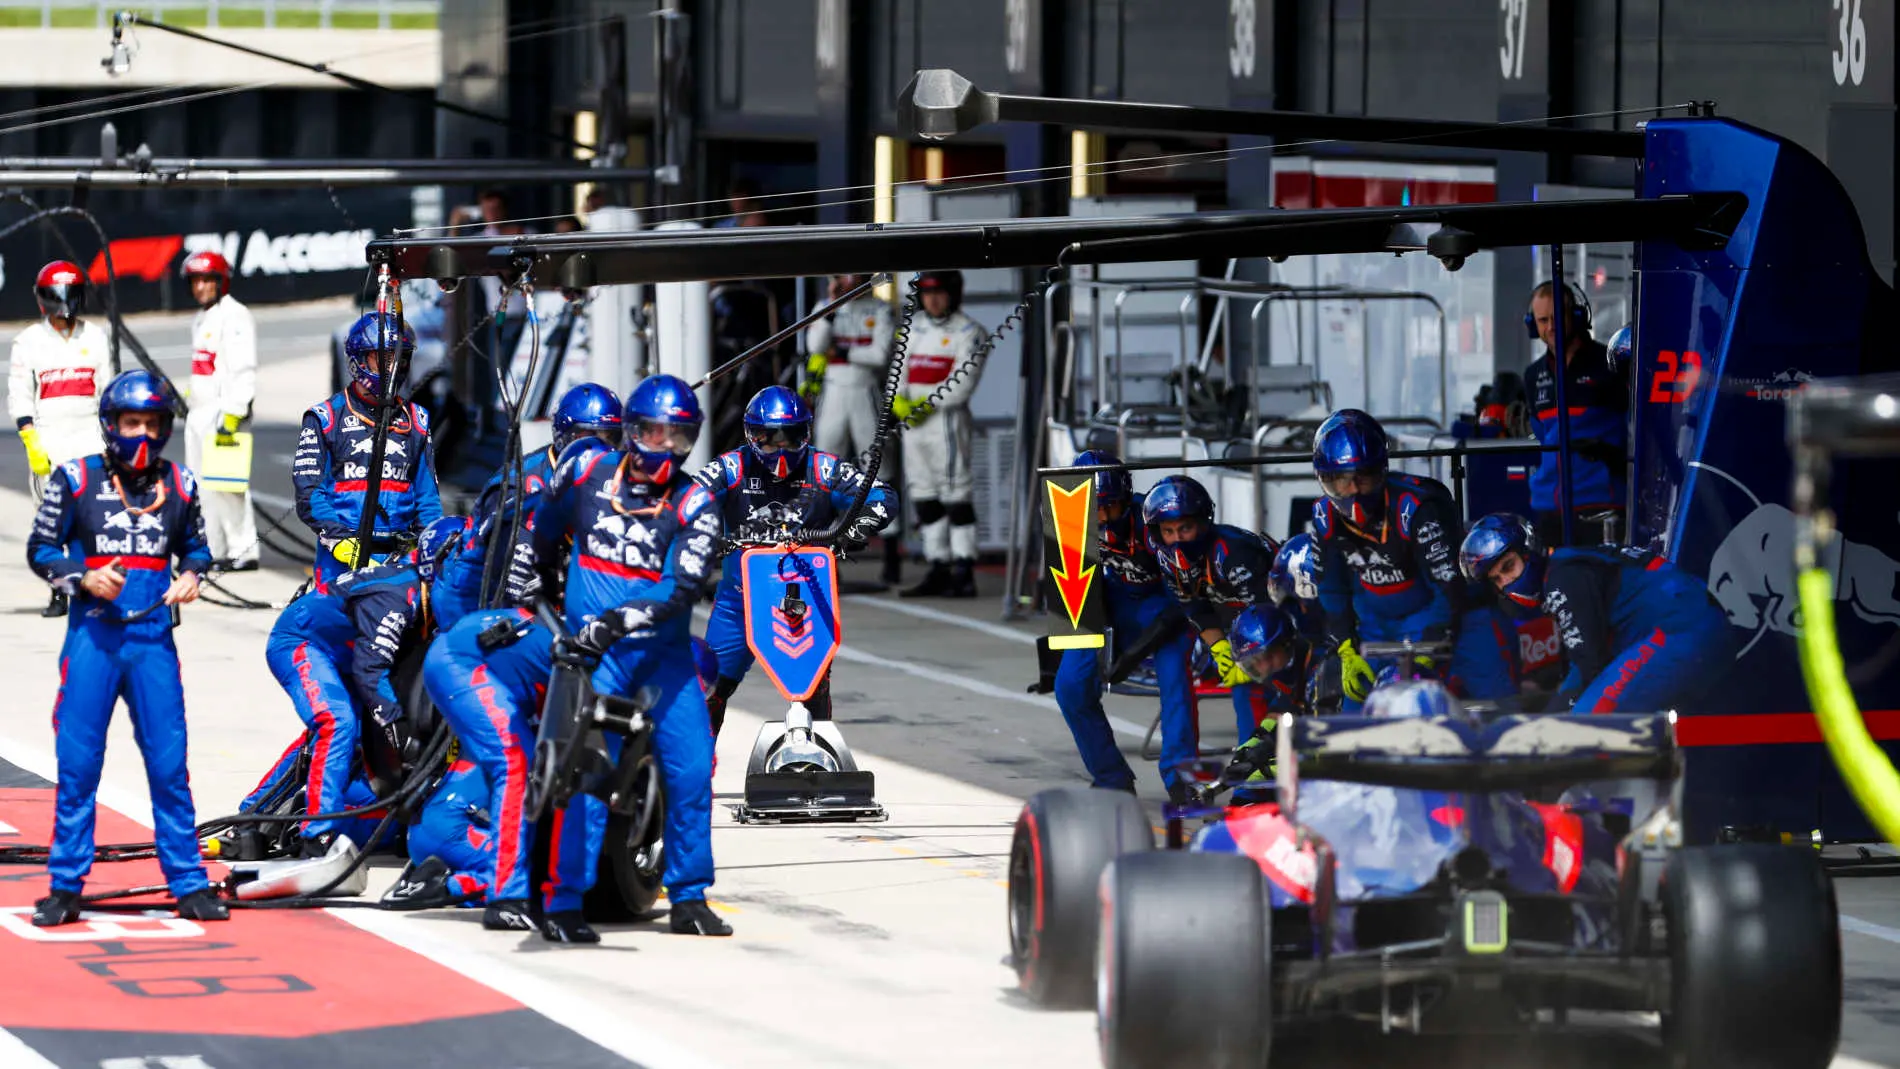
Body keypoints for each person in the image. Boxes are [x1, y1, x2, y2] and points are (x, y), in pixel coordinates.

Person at [531, 373, 731, 938]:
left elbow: (680, 589)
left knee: (692, 771)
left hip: (663, 664)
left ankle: (690, 896)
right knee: (586, 778)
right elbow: (539, 533)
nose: (664, 448)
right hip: (595, 662)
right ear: (629, 431)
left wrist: (613, 622)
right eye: (653, 432)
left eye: (678, 437)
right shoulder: (585, 472)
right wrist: (534, 584)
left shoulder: (698, 503)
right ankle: (565, 901)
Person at [26, 370, 226, 926]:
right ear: (110, 425)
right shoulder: (75, 478)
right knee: (79, 765)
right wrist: (82, 578)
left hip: (153, 642)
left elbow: (199, 551)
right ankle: (65, 887)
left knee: (169, 766)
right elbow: (40, 549)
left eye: (152, 423)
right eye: (131, 422)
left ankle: (188, 884)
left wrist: (192, 576)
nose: (142, 433)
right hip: (93, 636)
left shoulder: (181, 484)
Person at [253, 516, 465, 859]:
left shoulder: (425, 603)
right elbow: (371, 671)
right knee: (336, 723)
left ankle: (256, 815)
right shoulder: (397, 600)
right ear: (437, 569)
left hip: (347, 657)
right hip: (303, 643)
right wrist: (397, 729)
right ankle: (315, 833)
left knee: (341, 738)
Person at [694, 386, 894, 735]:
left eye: (791, 437)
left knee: (811, 687)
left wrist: (854, 530)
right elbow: (686, 502)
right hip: (738, 602)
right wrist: (701, 539)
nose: (780, 449)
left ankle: (817, 769)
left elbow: (882, 495)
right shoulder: (731, 467)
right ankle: (694, 778)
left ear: (807, 432)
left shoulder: (825, 468)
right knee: (709, 689)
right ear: (750, 434)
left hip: (807, 600)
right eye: (769, 439)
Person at [1309, 409, 1518, 706]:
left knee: (1500, 711)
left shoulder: (1416, 507)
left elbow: (1448, 587)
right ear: (1324, 479)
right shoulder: (1323, 517)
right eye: (1341, 481)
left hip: (1455, 618)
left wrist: (1426, 651)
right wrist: (1344, 646)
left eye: (1363, 479)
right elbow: (1330, 590)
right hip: (1376, 626)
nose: (1353, 491)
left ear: (1380, 471)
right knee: (1353, 724)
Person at [1459, 512, 1729, 713]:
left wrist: (1557, 714)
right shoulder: (1567, 566)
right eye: (1496, 579)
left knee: (1583, 726)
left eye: (1508, 567)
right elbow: (1585, 664)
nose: (1506, 582)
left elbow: (1590, 667)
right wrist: (1558, 705)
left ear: (1530, 552)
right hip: (1695, 626)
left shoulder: (1564, 578)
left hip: (1681, 631)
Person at [1050, 451, 1198, 796]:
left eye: (1110, 507)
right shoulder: (1067, 517)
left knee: (1175, 678)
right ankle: (1111, 777)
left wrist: (1129, 657)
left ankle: (1181, 779)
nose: (1101, 517)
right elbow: (1068, 599)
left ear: (1125, 500)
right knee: (1069, 686)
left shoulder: (1152, 520)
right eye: (1093, 508)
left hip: (1165, 603)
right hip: (1110, 598)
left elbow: (1184, 597)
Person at [434, 383, 622, 629]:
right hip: (477, 597)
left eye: (611, 438)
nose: (601, 449)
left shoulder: (611, 480)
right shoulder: (524, 489)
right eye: (590, 438)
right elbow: (506, 581)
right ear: (564, 436)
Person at [1142, 474, 1281, 791]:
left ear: (1203, 524)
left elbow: (1268, 611)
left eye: (1185, 528)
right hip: (1243, 629)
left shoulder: (1233, 552)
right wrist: (1218, 646)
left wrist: (1246, 653)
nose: (1177, 538)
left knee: (1279, 693)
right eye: (1168, 531)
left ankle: (1268, 778)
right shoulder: (1168, 561)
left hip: (1284, 623)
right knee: (1246, 691)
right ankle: (1256, 782)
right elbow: (1195, 608)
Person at [294, 311, 443, 593]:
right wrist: (345, 546)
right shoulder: (324, 418)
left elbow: (428, 500)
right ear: (360, 360)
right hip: (340, 560)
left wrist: (431, 549)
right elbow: (308, 495)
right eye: (384, 359)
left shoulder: (418, 421)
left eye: (401, 358)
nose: (394, 367)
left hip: (400, 562)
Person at [10, 260, 115, 618]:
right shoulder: (28, 342)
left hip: (91, 437)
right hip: (49, 440)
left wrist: (111, 442)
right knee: (51, 520)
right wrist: (32, 442)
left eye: (70, 294)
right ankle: (59, 591)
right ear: (44, 300)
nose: (64, 303)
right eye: (58, 295)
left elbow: (107, 392)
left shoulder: (97, 337)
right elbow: (20, 396)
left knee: (95, 518)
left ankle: (96, 586)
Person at [896, 270, 990, 599]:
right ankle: (938, 564)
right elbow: (900, 370)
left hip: (946, 423)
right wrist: (899, 402)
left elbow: (963, 384)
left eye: (940, 292)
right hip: (912, 424)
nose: (933, 299)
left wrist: (926, 403)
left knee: (955, 494)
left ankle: (964, 569)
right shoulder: (913, 327)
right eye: (927, 293)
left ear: (953, 294)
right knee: (923, 493)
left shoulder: (971, 332)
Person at [1524, 281, 1628, 547]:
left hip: (1600, 502)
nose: (1551, 327)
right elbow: (1542, 434)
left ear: (1578, 317)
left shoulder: (1610, 363)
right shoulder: (1533, 375)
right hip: (1549, 506)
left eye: (1558, 317)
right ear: (1532, 324)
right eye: (1543, 320)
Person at [179, 250, 260, 572]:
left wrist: (235, 410)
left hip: (225, 414)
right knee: (200, 488)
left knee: (229, 488)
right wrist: (186, 397)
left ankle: (245, 550)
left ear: (221, 281)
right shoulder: (201, 319)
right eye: (196, 281)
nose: (201, 287)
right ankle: (214, 549)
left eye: (207, 280)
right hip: (199, 414)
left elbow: (243, 368)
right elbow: (205, 370)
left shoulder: (235, 315)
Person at [804, 274, 892, 462]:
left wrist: (842, 353)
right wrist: (833, 305)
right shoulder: (824, 307)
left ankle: (878, 492)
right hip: (832, 390)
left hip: (867, 388)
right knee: (826, 457)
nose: (849, 281)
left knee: (877, 460)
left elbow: (880, 355)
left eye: (854, 275)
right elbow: (815, 346)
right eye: (843, 276)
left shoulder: (880, 308)